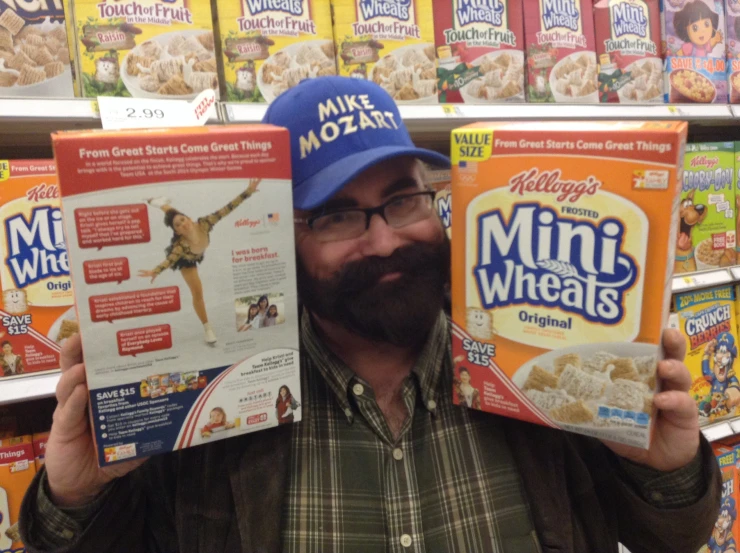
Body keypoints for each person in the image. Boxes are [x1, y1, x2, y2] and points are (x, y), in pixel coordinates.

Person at [20, 77, 720, 553]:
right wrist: (74, 496)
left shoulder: (532, 366)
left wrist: (666, 470)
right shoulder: (220, 401)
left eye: (403, 199)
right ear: (278, 237)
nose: (384, 238)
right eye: (336, 215)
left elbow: (673, 533)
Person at [138, 178, 261, 345]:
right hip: (188, 260)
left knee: (173, 214)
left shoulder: (204, 223)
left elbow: (227, 209)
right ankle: (207, 328)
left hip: (197, 248)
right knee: (198, 294)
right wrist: (155, 271)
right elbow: (169, 260)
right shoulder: (180, 246)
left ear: (190, 218)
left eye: (184, 220)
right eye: (178, 225)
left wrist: (248, 191)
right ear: (177, 232)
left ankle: (159, 203)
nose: (183, 224)